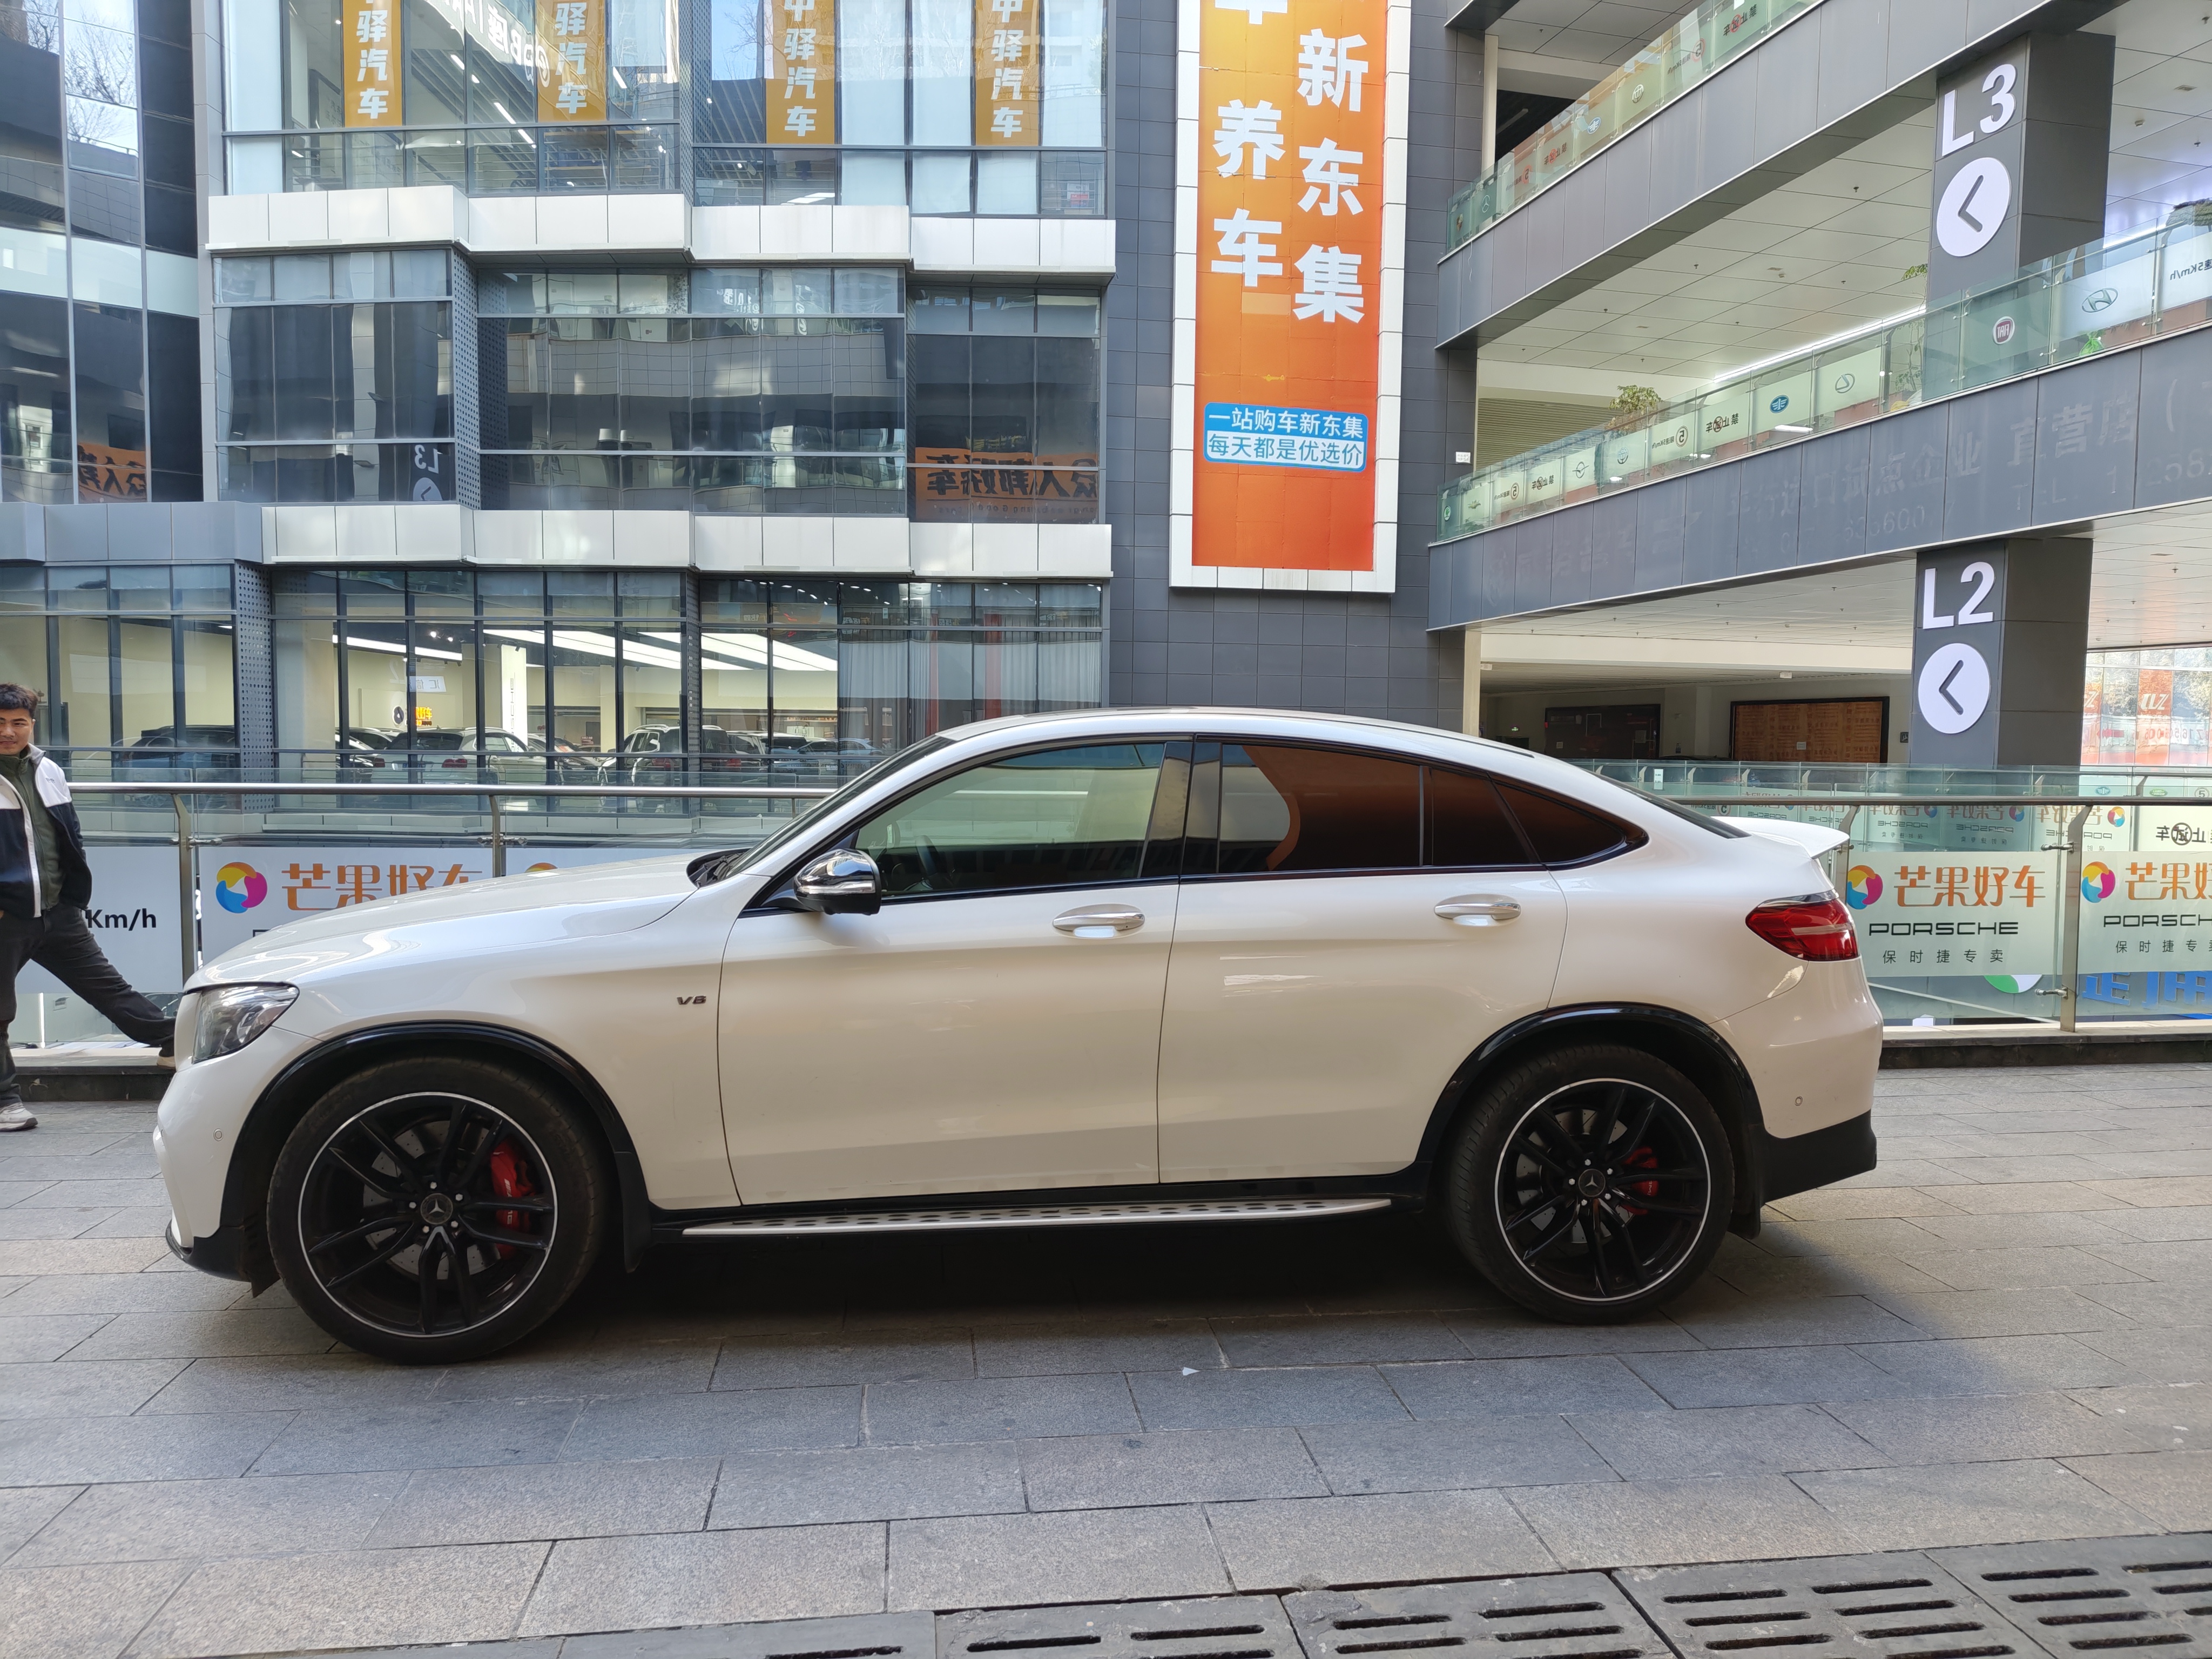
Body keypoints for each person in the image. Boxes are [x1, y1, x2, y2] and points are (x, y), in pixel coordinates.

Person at [0, 684, 174, 1131]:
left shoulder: (46, 769)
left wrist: (72, 894)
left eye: (18, 722)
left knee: (108, 988)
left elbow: (68, 836)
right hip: (7, 915)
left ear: (32, 724)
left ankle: (177, 1044)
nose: (8, 731)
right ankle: (5, 1102)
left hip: (56, 910)